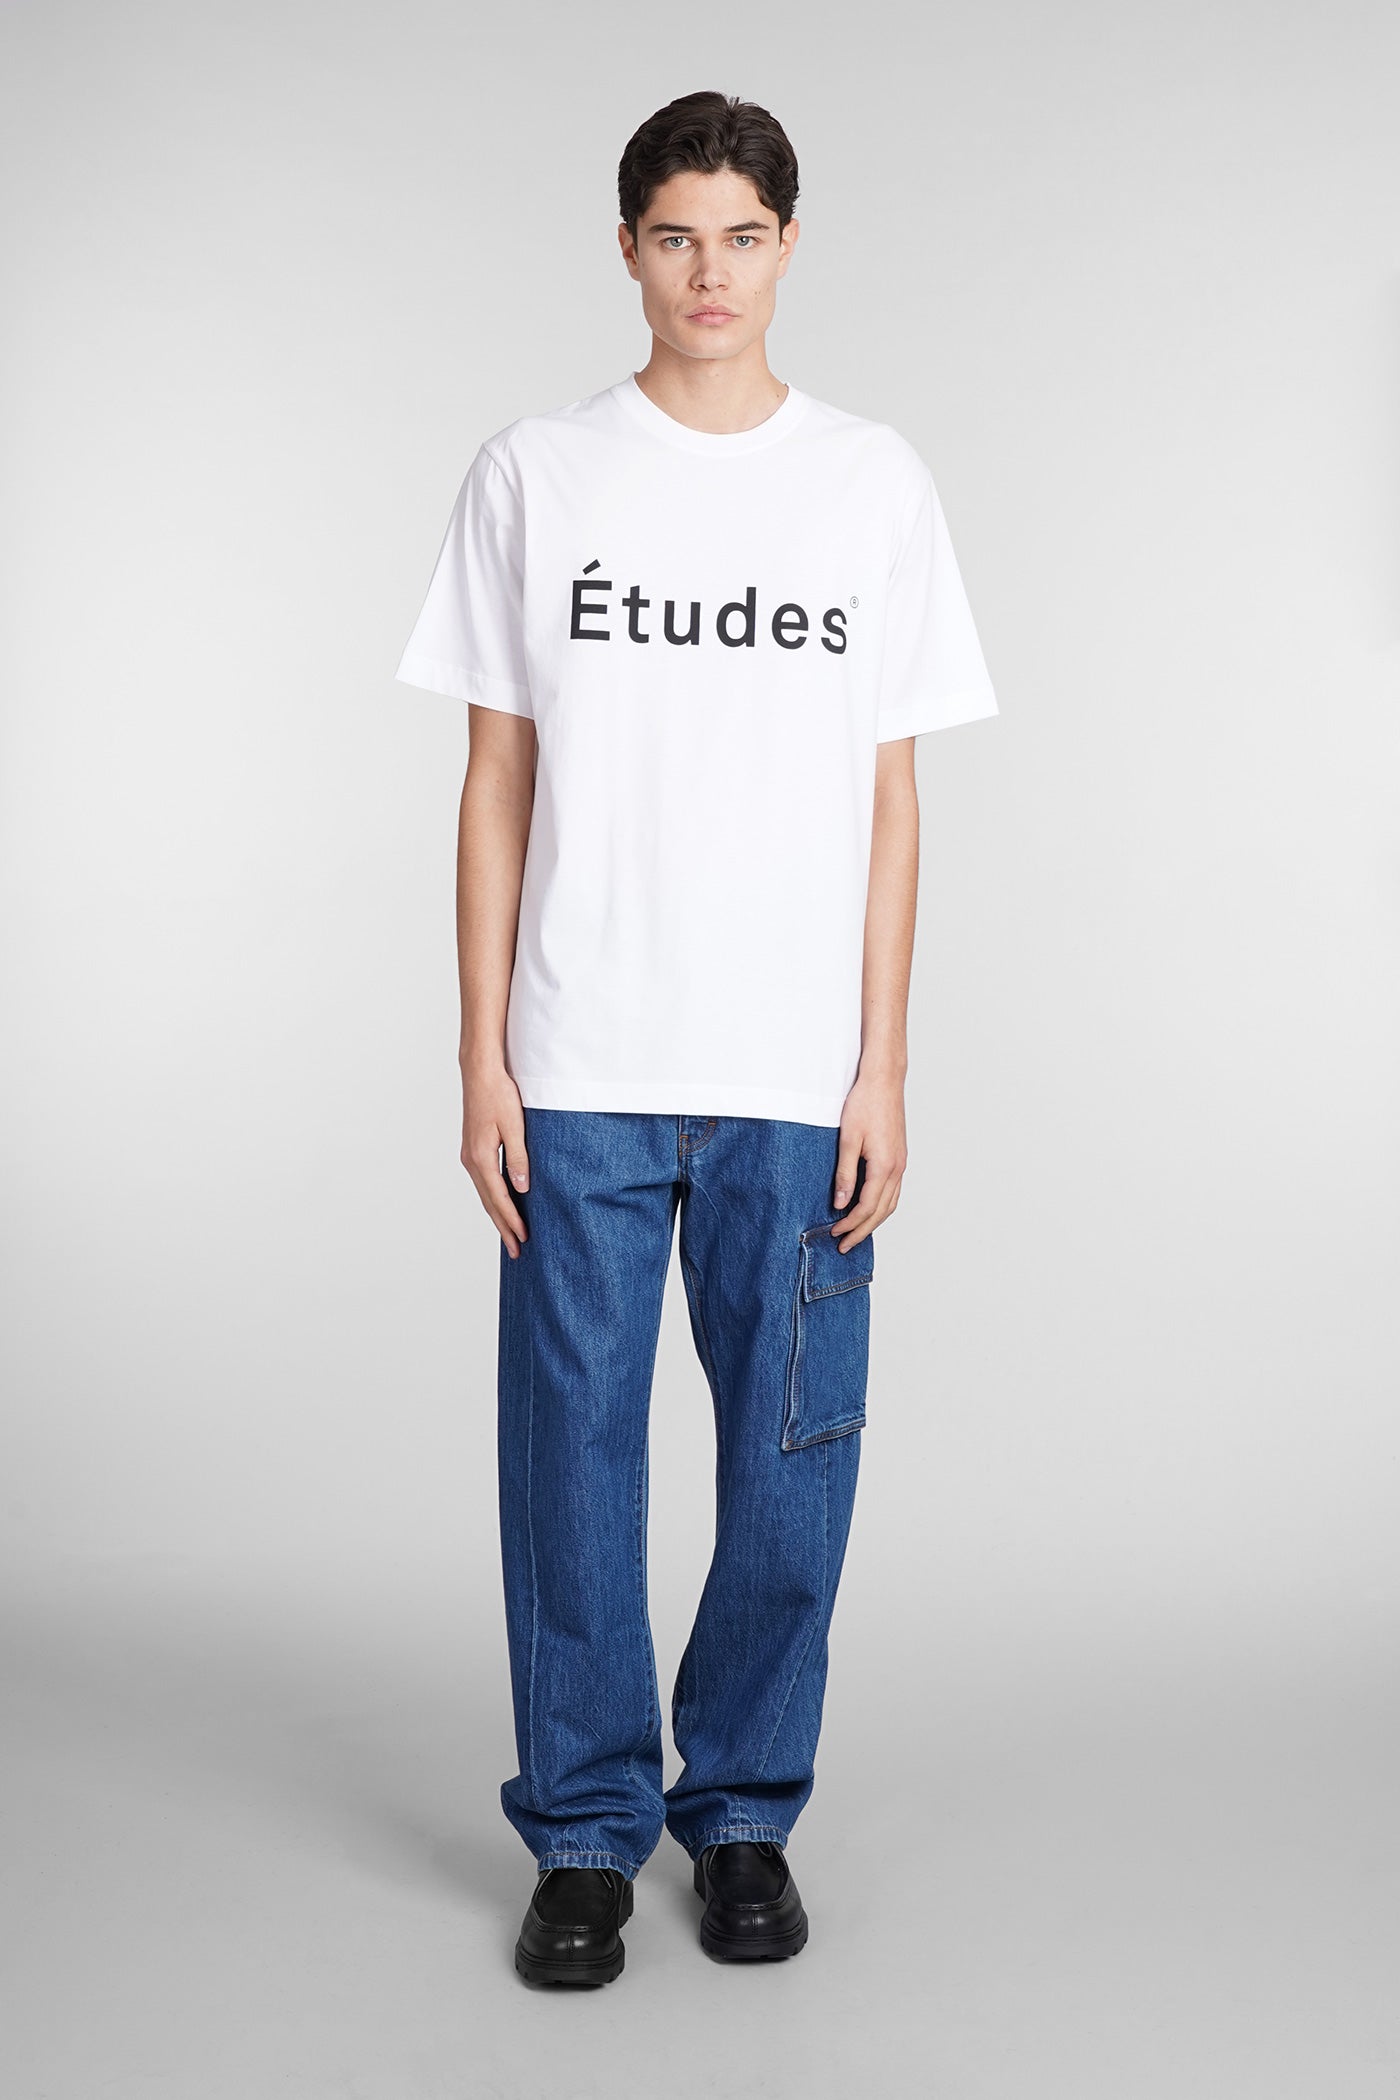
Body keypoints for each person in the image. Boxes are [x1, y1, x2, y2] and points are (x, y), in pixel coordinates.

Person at [393, 88, 998, 1988]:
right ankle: (584, 1832)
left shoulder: (872, 485)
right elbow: (495, 780)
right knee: (569, 1465)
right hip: (579, 1059)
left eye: (741, 236)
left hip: (793, 1070)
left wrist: (883, 1063)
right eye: (675, 236)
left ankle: (740, 1811)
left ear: (789, 247)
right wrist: (481, 1057)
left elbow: (893, 801)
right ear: (629, 250)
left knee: (790, 1472)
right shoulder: (536, 474)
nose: (708, 272)